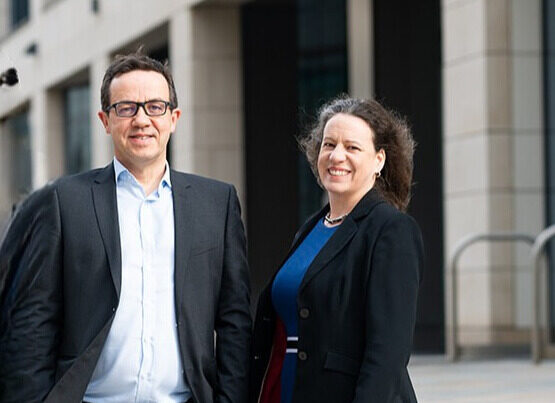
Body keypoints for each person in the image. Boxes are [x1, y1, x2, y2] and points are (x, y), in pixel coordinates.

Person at [0, 52, 251, 403]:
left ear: (174, 118)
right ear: (105, 120)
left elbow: (234, 321)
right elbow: (32, 323)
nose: (141, 120)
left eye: (155, 107)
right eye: (126, 108)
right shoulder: (63, 202)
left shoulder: (216, 203)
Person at [250, 96, 424, 403]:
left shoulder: (391, 230)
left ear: (379, 160)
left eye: (352, 147)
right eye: (329, 145)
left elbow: (388, 355)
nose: (336, 156)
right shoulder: (311, 229)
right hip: (287, 389)